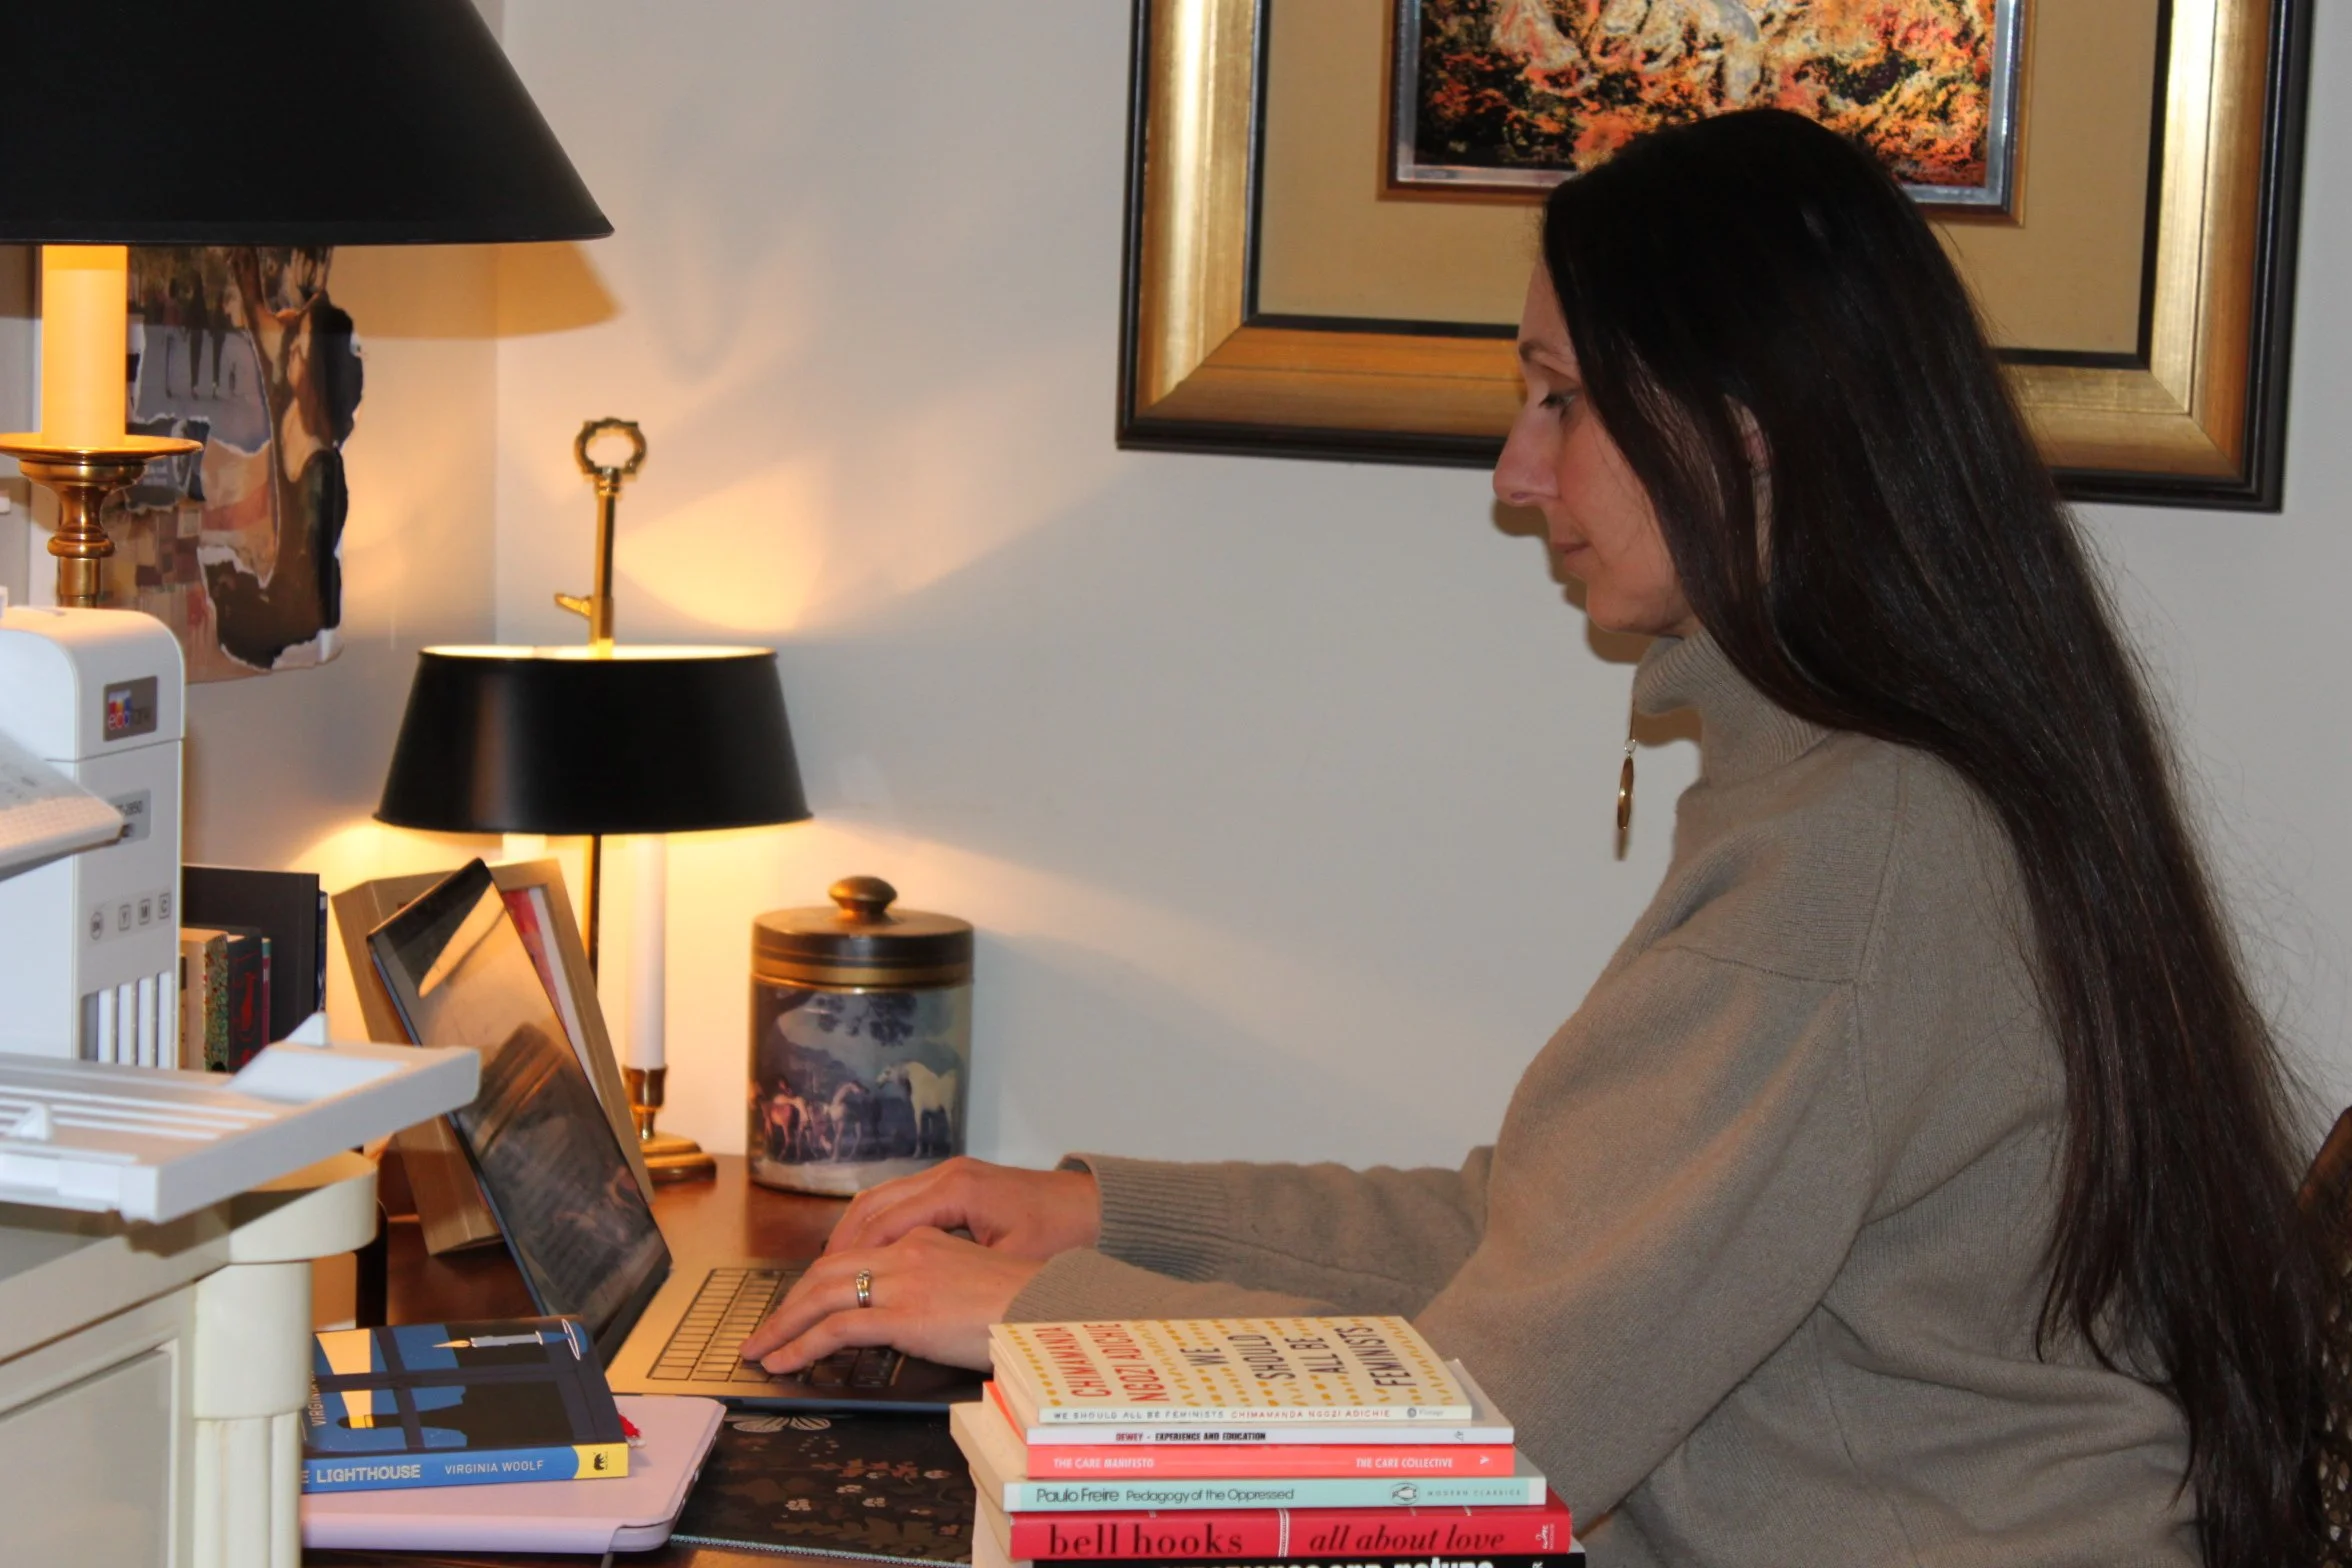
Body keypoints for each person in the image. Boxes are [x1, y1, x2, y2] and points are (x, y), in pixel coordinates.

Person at [741, 109, 2336, 1568]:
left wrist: (1041, 1317)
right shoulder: (1865, 784)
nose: (1518, 476)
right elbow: (1544, 1237)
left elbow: (1476, 1436)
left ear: (1748, 426)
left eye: (1561, 401)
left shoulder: (1862, 856)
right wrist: (1106, 1216)